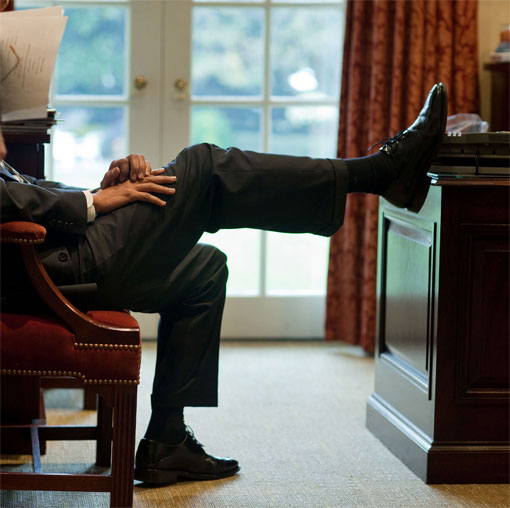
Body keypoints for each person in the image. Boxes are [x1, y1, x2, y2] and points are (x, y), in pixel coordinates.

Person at [0, 83, 447, 484]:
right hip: (56, 269)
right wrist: (92, 203)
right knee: (203, 166)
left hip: (66, 253)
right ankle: (375, 173)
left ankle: (167, 441)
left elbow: (30, 190)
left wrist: (99, 190)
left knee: (203, 270)